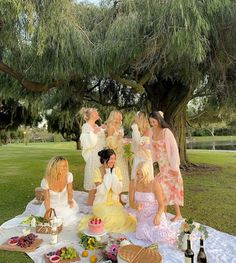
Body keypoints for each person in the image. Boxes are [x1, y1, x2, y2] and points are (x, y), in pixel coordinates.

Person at [78, 149, 136, 233]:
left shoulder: (117, 170)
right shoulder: (97, 171)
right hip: (101, 203)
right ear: (104, 159)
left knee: (120, 219)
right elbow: (101, 191)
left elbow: (118, 190)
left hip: (114, 202)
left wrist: (113, 175)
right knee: (107, 218)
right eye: (111, 158)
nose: (113, 161)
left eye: (114, 159)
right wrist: (108, 174)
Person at [129, 161, 176, 244]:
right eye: (138, 174)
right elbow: (131, 202)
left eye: (142, 174)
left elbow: (161, 204)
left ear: (147, 174)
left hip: (154, 212)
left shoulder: (154, 184)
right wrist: (136, 206)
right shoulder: (133, 183)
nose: (139, 177)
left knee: (162, 233)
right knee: (140, 232)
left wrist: (158, 215)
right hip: (142, 215)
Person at [149, 111, 184, 221]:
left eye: (154, 121)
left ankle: (178, 214)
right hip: (162, 166)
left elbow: (174, 150)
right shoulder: (151, 131)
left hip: (170, 165)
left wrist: (174, 167)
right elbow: (151, 146)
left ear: (159, 120)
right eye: (150, 122)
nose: (152, 124)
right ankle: (163, 211)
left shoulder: (166, 132)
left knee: (173, 188)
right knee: (163, 188)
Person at [38, 156, 79, 226]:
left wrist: (70, 200)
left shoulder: (69, 176)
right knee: (52, 221)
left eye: (66, 165)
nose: (65, 168)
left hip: (65, 204)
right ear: (54, 167)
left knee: (69, 219)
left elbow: (70, 192)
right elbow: (47, 200)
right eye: (62, 166)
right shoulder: (46, 181)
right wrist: (48, 212)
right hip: (51, 206)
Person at [79, 107, 105, 205]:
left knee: (101, 177)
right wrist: (95, 132)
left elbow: (102, 139)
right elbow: (86, 142)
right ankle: (90, 202)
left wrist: (102, 129)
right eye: (96, 112)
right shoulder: (86, 126)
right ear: (91, 115)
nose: (98, 113)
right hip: (94, 155)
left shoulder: (96, 125)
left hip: (101, 154)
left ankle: (99, 201)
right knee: (94, 177)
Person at [105, 110, 129, 192]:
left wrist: (123, 141)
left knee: (121, 174)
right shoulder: (110, 127)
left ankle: (119, 195)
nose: (119, 120)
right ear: (112, 117)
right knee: (116, 175)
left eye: (120, 118)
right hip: (114, 154)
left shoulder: (118, 127)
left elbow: (119, 140)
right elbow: (109, 143)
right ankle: (115, 195)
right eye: (117, 118)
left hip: (120, 153)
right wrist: (118, 139)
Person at [131, 111, 153, 179]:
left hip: (145, 160)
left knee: (146, 179)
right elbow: (135, 144)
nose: (134, 118)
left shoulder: (149, 130)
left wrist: (134, 127)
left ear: (140, 119)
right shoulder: (137, 130)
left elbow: (139, 142)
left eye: (136, 116)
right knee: (136, 179)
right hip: (137, 158)